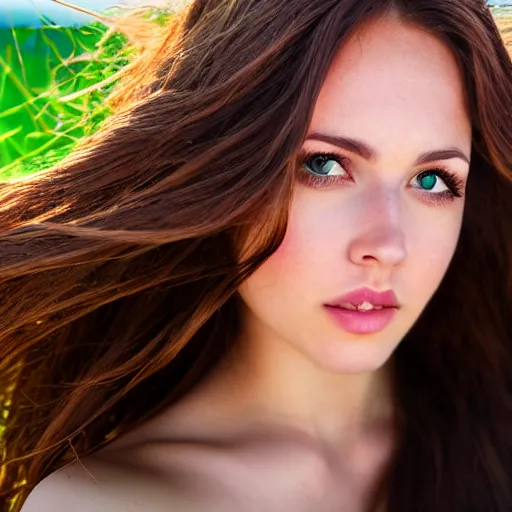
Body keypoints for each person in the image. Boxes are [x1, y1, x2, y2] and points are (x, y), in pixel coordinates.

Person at [0, 0, 510, 510]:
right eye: (325, 166)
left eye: (432, 180)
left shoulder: (493, 440)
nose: (387, 246)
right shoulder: (107, 501)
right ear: (228, 170)